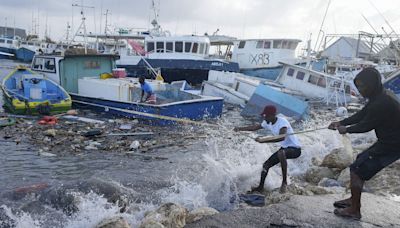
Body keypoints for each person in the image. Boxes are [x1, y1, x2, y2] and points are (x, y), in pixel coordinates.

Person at [329, 67, 400, 220]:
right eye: (358, 86)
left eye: (362, 86)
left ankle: (355, 210)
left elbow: (365, 125)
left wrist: (345, 129)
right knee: (360, 159)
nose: (360, 90)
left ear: (372, 84)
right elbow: (362, 114)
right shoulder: (380, 96)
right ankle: (353, 200)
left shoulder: (381, 103)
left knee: (356, 169)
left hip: (393, 144)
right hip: (390, 141)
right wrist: (341, 121)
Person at [234, 105, 301, 193]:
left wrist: (263, 140)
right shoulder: (267, 122)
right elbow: (255, 127)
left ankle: (284, 182)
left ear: (273, 115)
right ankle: (260, 187)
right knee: (265, 165)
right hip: (284, 149)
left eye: (266, 116)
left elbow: (281, 138)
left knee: (281, 153)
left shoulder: (282, 122)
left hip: (295, 150)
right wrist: (239, 129)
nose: (264, 117)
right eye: (264, 116)